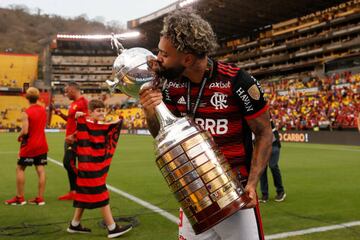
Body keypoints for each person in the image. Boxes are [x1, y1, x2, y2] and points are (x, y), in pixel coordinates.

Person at [140, 10, 272, 240]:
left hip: (235, 196)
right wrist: (151, 111)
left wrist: (252, 183)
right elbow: (160, 134)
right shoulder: (169, 86)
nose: (158, 58)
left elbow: (264, 133)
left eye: (164, 54)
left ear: (188, 59)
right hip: (193, 198)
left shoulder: (237, 81)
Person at [67, 99, 132, 238]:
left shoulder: (100, 125)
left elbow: (108, 128)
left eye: (103, 110)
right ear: (90, 112)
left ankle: (74, 224)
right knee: (102, 194)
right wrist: (79, 117)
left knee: (84, 195)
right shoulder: (85, 123)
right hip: (89, 167)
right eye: (98, 110)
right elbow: (74, 134)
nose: (101, 113)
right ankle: (112, 227)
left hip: (90, 167)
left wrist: (118, 122)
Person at [5, 87, 48, 205]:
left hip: (30, 145)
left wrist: (19, 136)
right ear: (38, 97)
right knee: (41, 170)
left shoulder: (26, 112)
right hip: (42, 144)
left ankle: (20, 198)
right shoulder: (43, 109)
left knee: (20, 168)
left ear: (26, 97)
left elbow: (25, 131)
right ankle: (40, 198)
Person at [55, 82, 88, 200]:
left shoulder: (83, 102)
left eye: (66, 91)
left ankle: (85, 183)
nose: (65, 93)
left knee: (68, 163)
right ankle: (74, 191)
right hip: (69, 139)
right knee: (70, 163)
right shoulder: (74, 104)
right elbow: (71, 120)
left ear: (73, 90)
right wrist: (61, 115)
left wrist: (74, 135)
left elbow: (86, 121)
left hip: (77, 139)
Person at [259, 118, 286, 203]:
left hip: (273, 145)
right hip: (262, 147)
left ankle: (280, 191)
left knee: (273, 165)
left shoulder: (265, 116)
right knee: (262, 169)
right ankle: (264, 195)